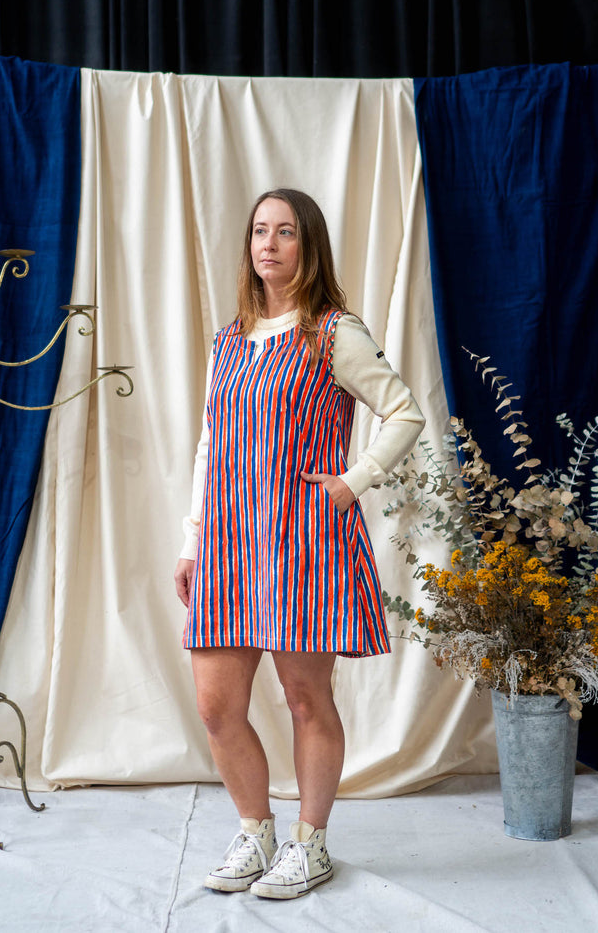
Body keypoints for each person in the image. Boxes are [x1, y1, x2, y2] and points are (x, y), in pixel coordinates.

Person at [174, 188, 425, 900]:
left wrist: (354, 480)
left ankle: (310, 842)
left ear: (308, 245)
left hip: (303, 542)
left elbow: (404, 412)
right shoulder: (228, 340)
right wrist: (191, 539)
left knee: (305, 697)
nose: (269, 243)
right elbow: (210, 444)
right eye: (260, 230)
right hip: (227, 544)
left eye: (285, 231)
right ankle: (256, 833)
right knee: (217, 706)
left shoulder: (334, 332)